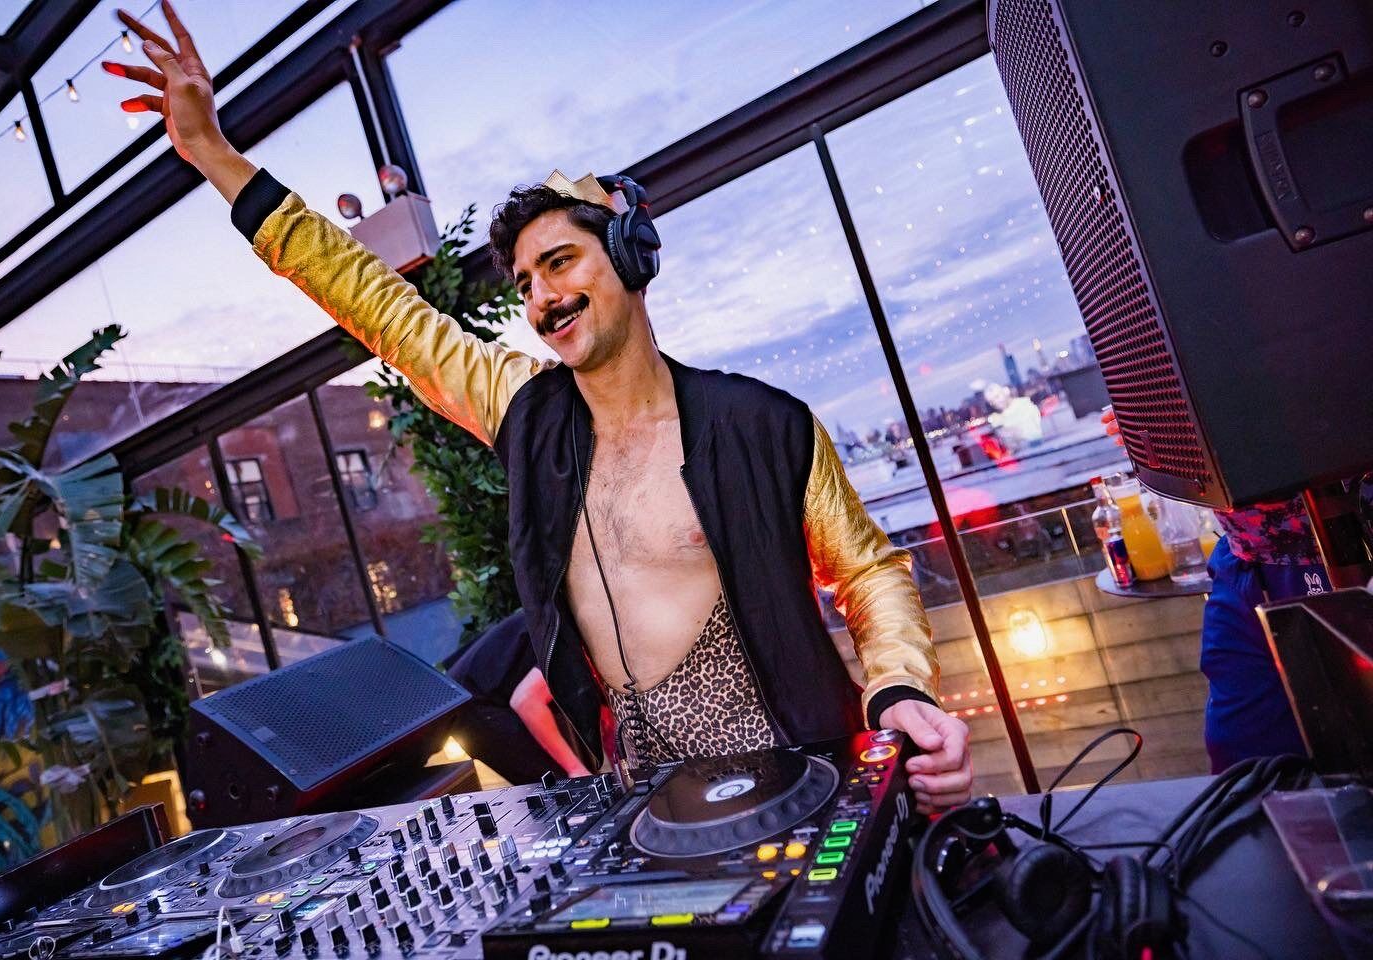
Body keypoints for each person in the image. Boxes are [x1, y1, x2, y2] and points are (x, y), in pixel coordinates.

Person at [107, 1, 972, 813]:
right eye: (524, 282)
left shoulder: (765, 427)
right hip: (647, 811)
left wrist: (899, 690)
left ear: (630, 258)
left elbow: (868, 571)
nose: (542, 297)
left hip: (807, 785)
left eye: (559, 263)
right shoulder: (523, 410)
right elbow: (376, 303)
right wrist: (214, 154)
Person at [1099, 408, 1327, 771]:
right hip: (1243, 554)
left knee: (1347, 718)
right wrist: (1149, 416)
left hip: (1328, 547)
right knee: (1239, 750)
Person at [444, 610, 592, 784]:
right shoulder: (568, 640)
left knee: (578, 771)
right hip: (472, 702)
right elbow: (526, 701)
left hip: (490, 690)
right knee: (561, 781)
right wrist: (574, 769)